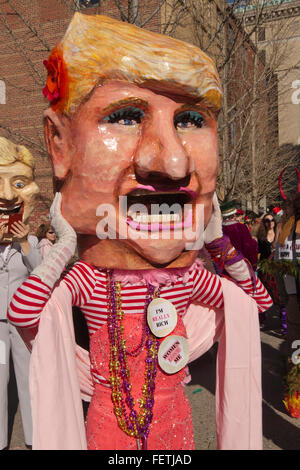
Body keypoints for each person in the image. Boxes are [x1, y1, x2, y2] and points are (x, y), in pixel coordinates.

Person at [8, 14, 271, 450]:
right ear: (59, 145)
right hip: (111, 431)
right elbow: (23, 312)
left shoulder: (186, 280)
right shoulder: (93, 282)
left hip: (175, 427)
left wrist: (218, 244)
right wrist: (65, 246)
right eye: (127, 116)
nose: (172, 164)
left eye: (190, 120)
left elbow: (255, 304)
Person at [0, 137, 41, 450]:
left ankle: (32, 438)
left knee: (28, 380)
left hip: (23, 324)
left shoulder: (30, 243)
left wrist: (25, 242)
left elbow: (40, 273)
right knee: (0, 384)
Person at [276, 192, 300, 417]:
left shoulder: (285, 232)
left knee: (296, 349)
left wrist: (285, 298)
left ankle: (296, 403)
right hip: (293, 297)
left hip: (293, 299)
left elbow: (278, 266)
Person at [220, 200, 258, 270]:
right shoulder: (241, 227)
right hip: (240, 266)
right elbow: (248, 247)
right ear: (234, 215)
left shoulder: (219, 228)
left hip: (223, 267)